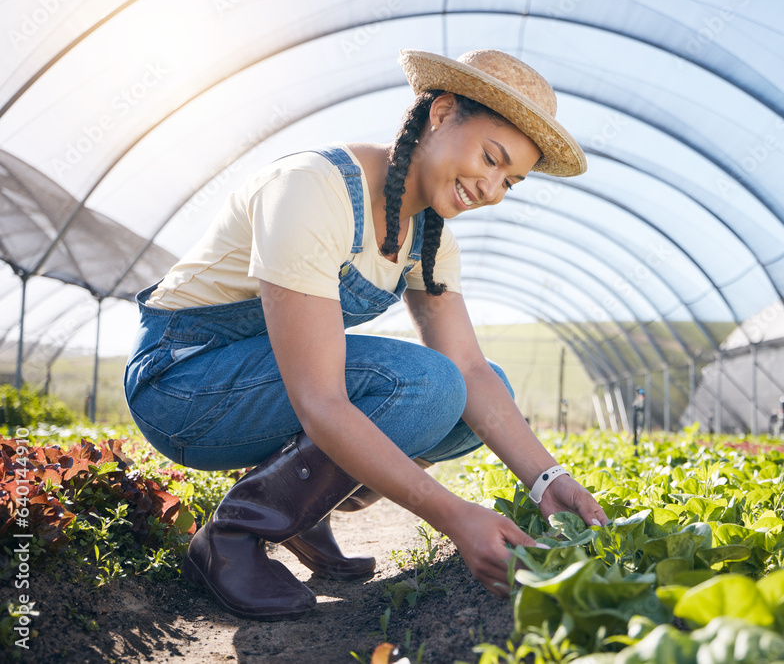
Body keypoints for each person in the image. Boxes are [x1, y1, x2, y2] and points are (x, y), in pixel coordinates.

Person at [124, 48, 608, 622]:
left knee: (478, 387)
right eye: (491, 158)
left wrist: (549, 481)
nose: (493, 188)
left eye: (512, 181)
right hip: (182, 385)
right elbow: (320, 400)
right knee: (427, 386)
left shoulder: (429, 237)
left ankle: (302, 511)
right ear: (443, 112)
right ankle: (230, 536)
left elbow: (473, 371)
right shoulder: (311, 189)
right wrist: (455, 517)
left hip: (257, 384)